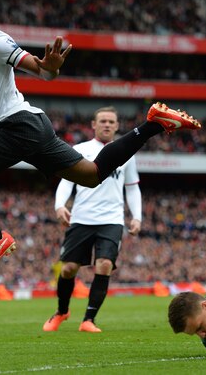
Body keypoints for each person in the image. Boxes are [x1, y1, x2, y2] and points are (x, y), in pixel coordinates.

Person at [0, 0, 201, 280]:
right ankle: (153, 124)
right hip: (28, 129)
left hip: (16, 125)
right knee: (92, 175)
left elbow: (40, 69)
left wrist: (50, 67)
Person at [42, 106, 142, 333]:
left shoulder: (127, 154)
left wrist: (137, 216)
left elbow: (132, 188)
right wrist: (59, 205)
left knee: (104, 264)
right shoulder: (80, 149)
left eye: (111, 121)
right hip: (81, 218)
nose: (107, 124)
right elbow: (66, 182)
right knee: (68, 269)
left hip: (112, 219)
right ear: (93, 125)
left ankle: (89, 319)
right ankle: (61, 312)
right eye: (103, 121)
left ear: (117, 126)